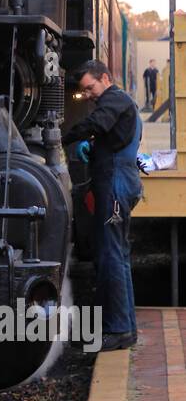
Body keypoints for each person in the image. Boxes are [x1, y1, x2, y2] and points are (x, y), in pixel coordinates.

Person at [63, 60, 142, 350]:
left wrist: (65, 136)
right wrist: (93, 148)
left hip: (116, 186)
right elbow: (111, 136)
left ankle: (119, 329)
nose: (88, 95)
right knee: (117, 256)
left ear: (105, 78)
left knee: (111, 256)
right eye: (84, 91)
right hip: (118, 183)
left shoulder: (115, 99)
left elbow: (98, 123)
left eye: (90, 88)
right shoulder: (119, 102)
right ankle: (126, 327)